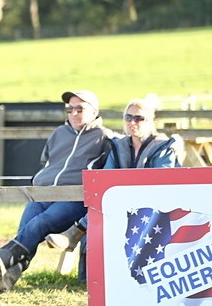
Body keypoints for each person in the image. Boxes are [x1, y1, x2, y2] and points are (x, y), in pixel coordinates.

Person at [0, 89, 114, 293]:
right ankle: (5, 278)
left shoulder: (105, 138)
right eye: (69, 109)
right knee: (26, 229)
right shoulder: (58, 134)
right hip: (42, 194)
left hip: (73, 199)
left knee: (37, 225)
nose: (73, 113)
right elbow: (47, 162)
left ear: (94, 111)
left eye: (79, 109)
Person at [43, 97, 183, 277]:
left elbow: (161, 182)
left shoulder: (163, 147)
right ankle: (90, 276)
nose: (133, 122)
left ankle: (75, 233)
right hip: (120, 204)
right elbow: (107, 179)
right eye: (128, 117)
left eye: (139, 118)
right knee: (100, 202)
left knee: (107, 206)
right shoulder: (119, 147)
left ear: (150, 121)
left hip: (154, 206)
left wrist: (125, 188)